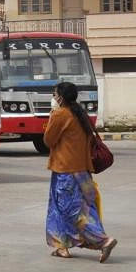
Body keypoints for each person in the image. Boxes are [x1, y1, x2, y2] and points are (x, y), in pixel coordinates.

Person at [43, 81, 117, 262]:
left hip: (66, 171)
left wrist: (52, 115)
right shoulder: (80, 114)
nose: (53, 98)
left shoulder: (61, 114)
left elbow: (48, 140)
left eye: (54, 94)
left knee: (72, 211)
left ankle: (103, 240)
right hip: (83, 170)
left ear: (60, 97)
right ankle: (62, 246)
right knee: (75, 208)